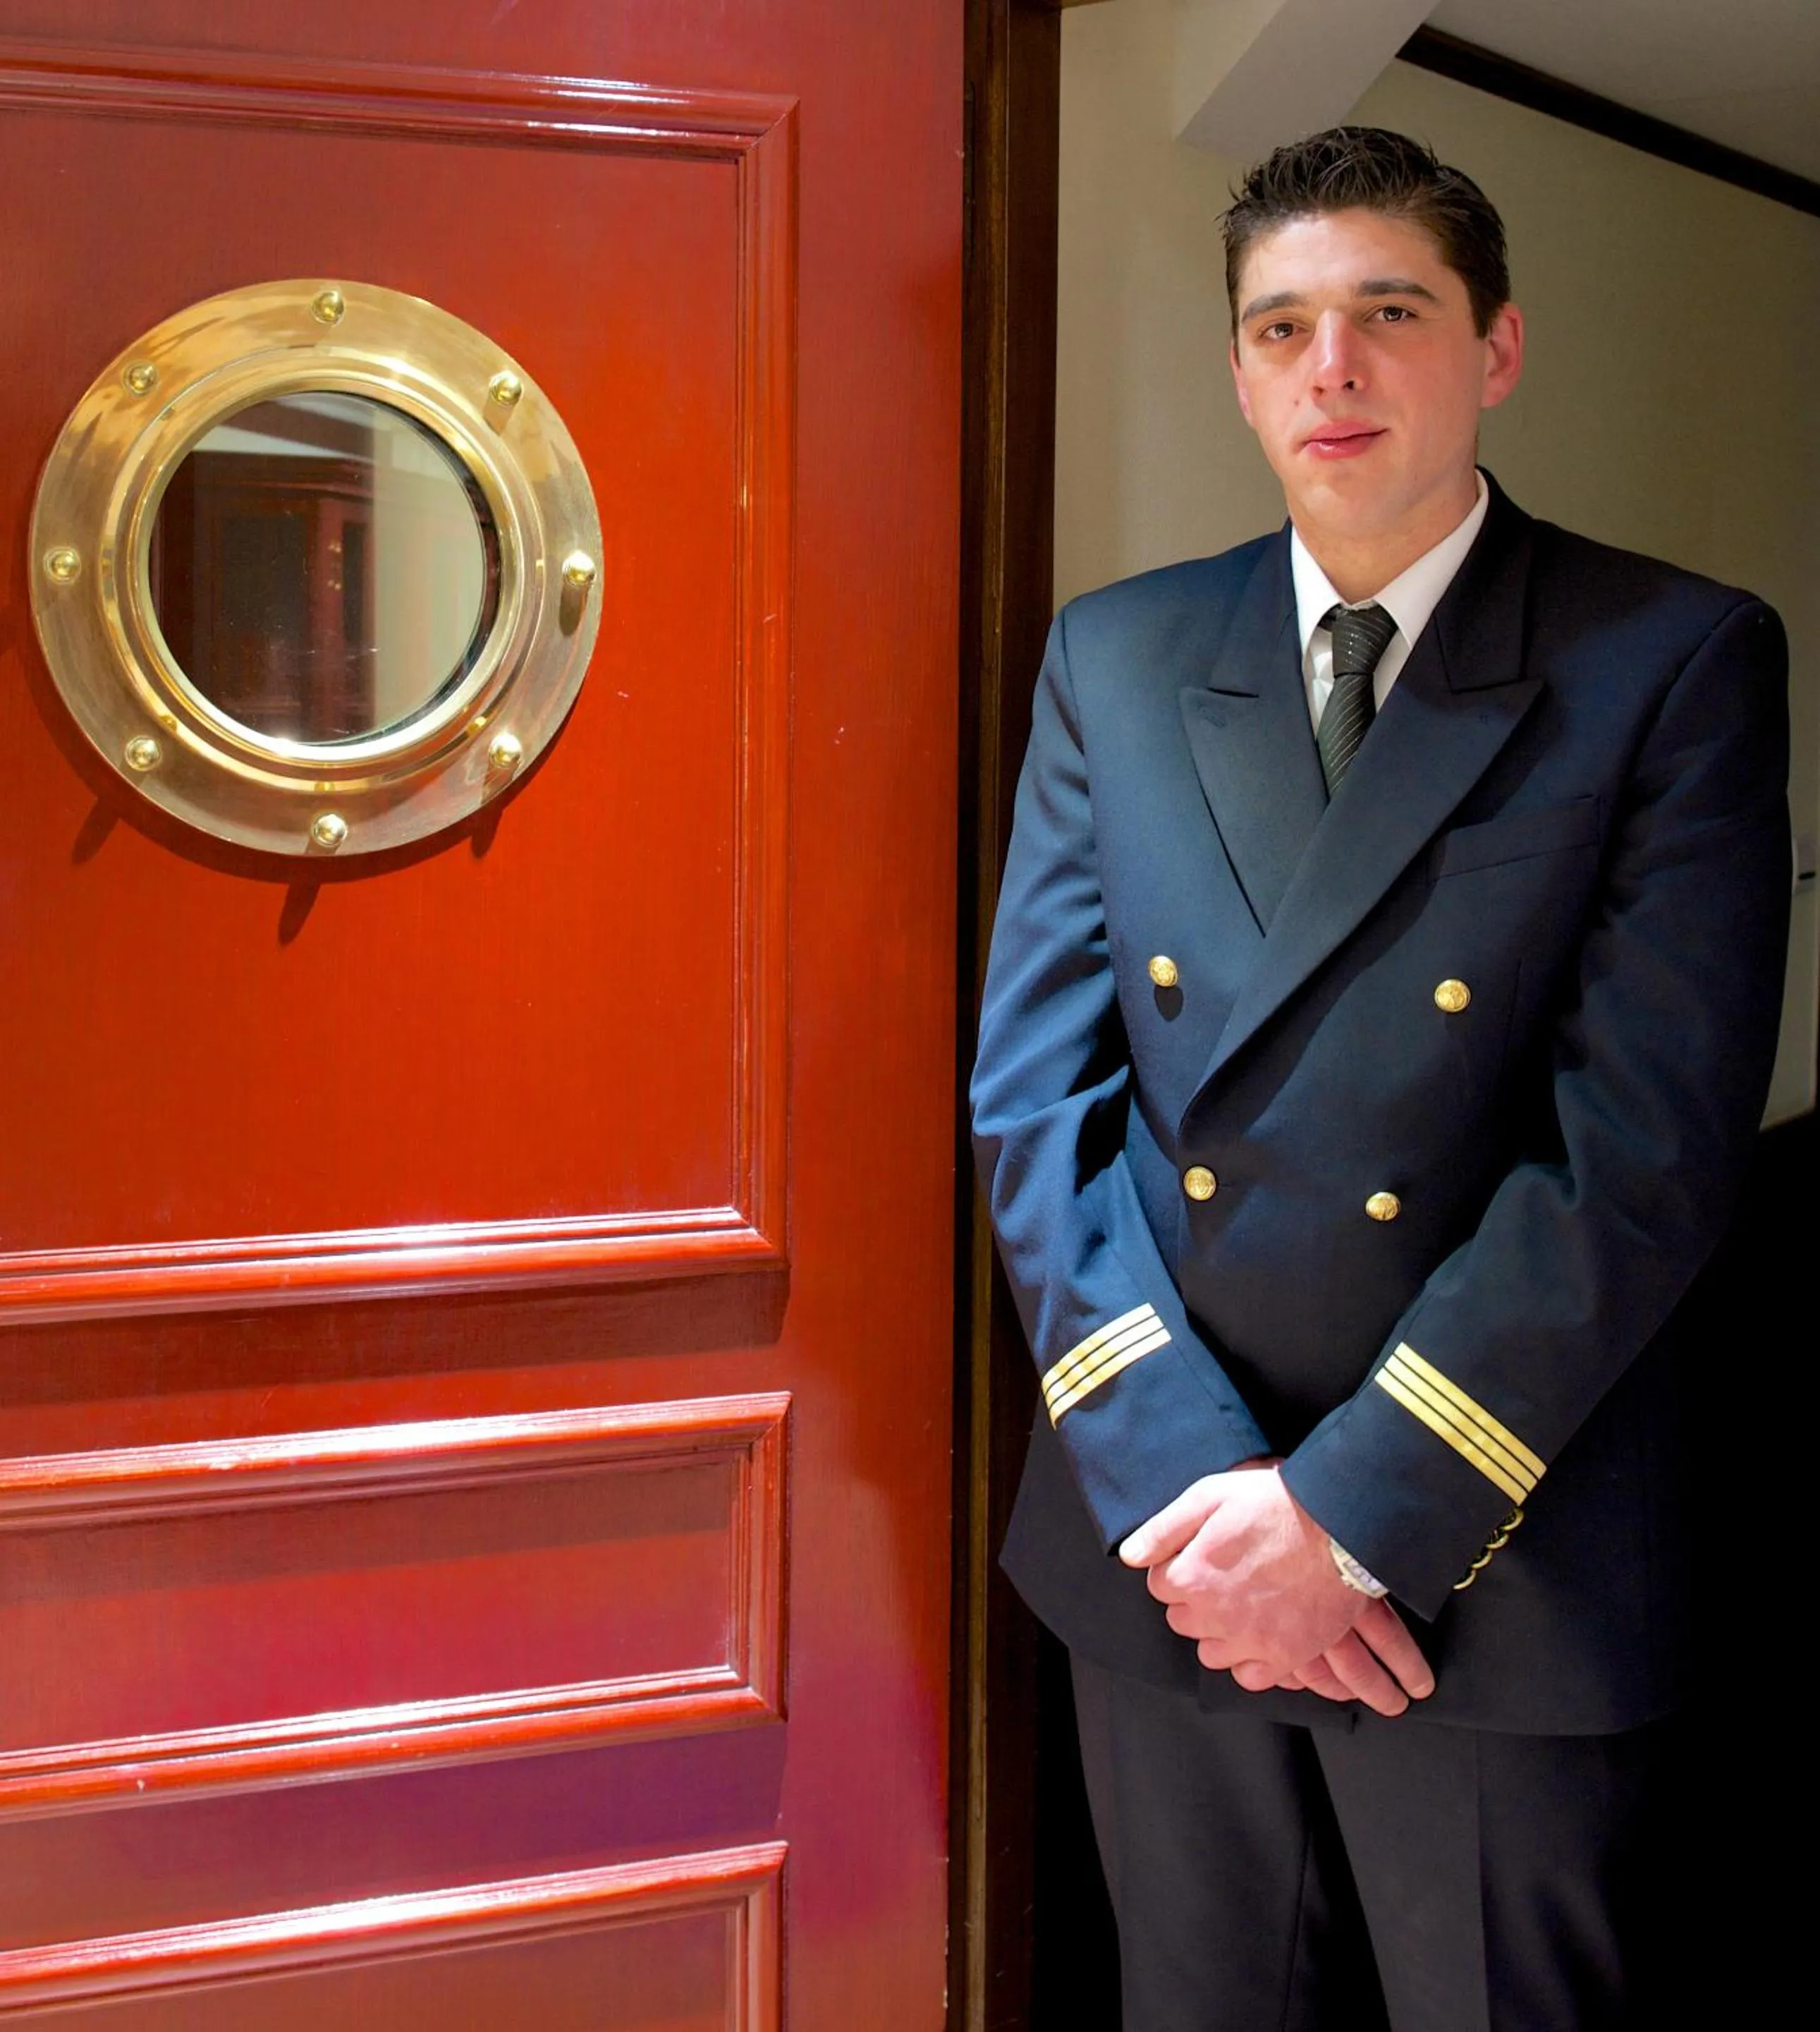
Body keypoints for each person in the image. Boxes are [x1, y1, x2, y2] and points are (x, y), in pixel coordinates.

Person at [970, 126, 1789, 2030]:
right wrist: (1205, 1502)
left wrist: (1342, 1520)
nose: (1325, 370)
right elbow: (1039, 1103)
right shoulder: (1118, 654)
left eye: (1383, 314)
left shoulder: (1664, 659)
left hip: (1499, 1531)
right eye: (1278, 329)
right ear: (1240, 370)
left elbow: (1639, 1152)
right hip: (1167, 1534)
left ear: (1493, 349)